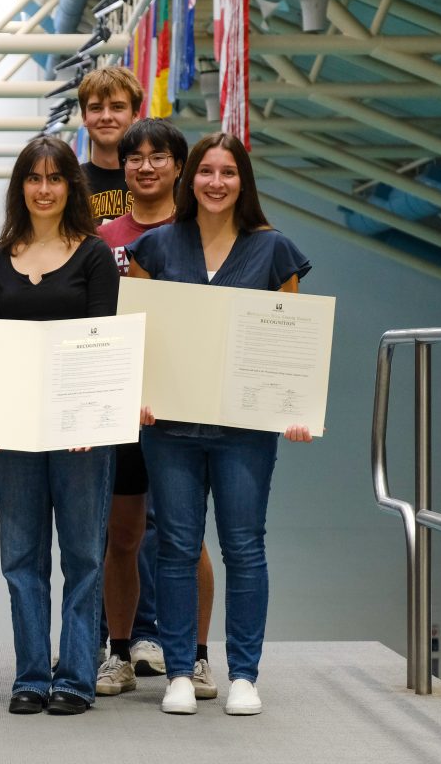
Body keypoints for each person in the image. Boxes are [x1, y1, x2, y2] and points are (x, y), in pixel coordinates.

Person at [126, 132, 314, 717]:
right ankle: (181, 671)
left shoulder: (274, 250)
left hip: (244, 432)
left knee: (244, 547)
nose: (215, 182)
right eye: (205, 171)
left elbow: (292, 339)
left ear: (243, 182)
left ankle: (245, 676)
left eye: (227, 173)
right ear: (190, 180)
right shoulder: (154, 248)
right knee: (177, 548)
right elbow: (134, 331)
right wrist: (136, 394)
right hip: (171, 428)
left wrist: (296, 405)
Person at [0, 136, 119, 716]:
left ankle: (78, 677)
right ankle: (32, 675)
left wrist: (87, 415)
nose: (43, 188)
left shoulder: (94, 256)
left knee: (84, 555)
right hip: (14, 432)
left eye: (55, 178)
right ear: (20, 188)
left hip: (80, 431)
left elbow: (100, 344)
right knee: (21, 556)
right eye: (33, 178)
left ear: (70, 187)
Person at [95, 119, 217, 702]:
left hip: (184, 408)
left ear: (178, 165)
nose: (145, 167)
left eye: (158, 157)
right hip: (121, 405)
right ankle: (117, 653)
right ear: (122, 168)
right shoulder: (101, 237)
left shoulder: (201, 233)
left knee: (185, 538)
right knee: (122, 536)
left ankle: (193, 657)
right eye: (134, 158)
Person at [77, 66, 143, 225]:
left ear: (135, 115)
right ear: (84, 117)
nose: (106, 117)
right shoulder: (69, 183)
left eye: (117, 107)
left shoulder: (156, 180)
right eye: (96, 108)